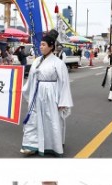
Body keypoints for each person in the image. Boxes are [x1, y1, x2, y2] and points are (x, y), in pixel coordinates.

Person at [21, 29, 73, 157]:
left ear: (51, 46)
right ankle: (31, 145)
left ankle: (53, 146)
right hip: (36, 93)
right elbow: (31, 79)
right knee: (33, 118)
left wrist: (63, 101)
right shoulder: (37, 61)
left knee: (52, 120)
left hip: (51, 94)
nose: (41, 47)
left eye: (44, 45)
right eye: (40, 44)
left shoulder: (58, 63)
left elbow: (64, 83)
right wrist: (25, 91)